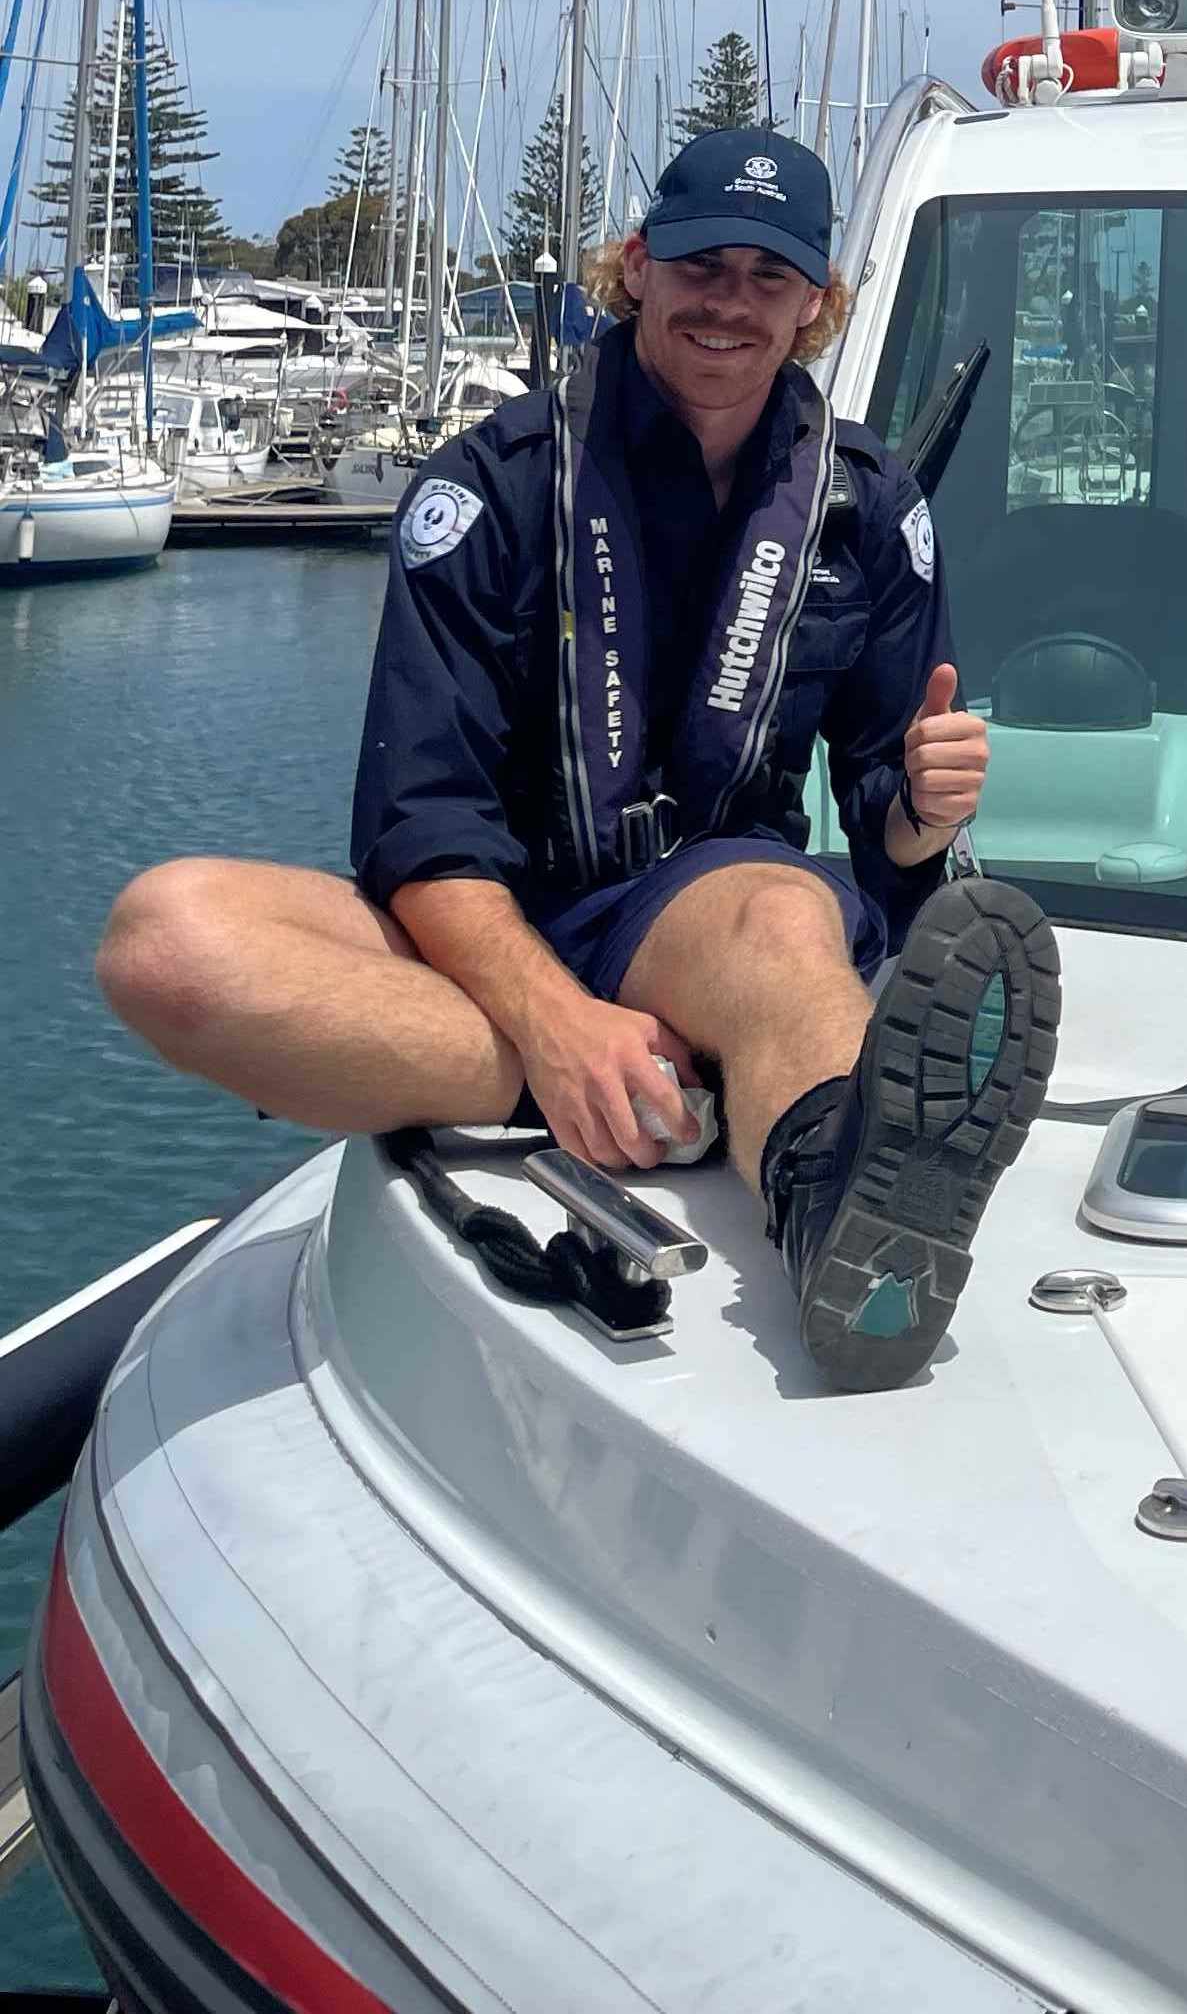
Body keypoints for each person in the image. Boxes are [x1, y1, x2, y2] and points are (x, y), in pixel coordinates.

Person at [96, 128, 1056, 1394]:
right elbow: (421, 828)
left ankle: (848, 1221)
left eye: (770, 277)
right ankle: (676, 1079)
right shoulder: (490, 493)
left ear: (818, 306)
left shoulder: (869, 509)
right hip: (492, 921)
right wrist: (560, 1026)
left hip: (706, 906)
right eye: (700, 263)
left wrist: (921, 812)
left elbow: (883, 814)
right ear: (635, 266)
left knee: (776, 911)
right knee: (164, 938)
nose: (729, 301)